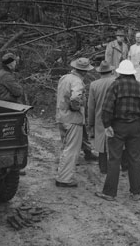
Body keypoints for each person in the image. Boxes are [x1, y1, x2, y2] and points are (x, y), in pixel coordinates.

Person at [95, 60, 140, 202]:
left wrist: (107, 125)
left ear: (120, 72)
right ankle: (136, 192)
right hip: (135, 126)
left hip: (118, 126)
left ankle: (109, 193)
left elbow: (107, 108)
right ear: (133, 73)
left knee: (115, 159)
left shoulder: (115, 86)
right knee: (134, 159)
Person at [55, 57, 93, 187]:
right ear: (84, 71)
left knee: (65, 147)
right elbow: (75, 98)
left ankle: (61, 173)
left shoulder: (64, 78)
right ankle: (64, 179)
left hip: (61, 116)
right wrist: (77, 107)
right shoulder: (77, 82)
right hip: (72, 119)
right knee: (72, 149)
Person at [88, 61, 116, 174]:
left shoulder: (94, 85)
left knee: (101, 143)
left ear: (100, 72)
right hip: (115, 116)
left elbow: (91, 106)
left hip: (99, 116)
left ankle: (103, 168)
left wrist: (90, 122)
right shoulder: (116, 81)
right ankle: (120, 166)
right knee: (116, 142)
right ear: (112, 70)